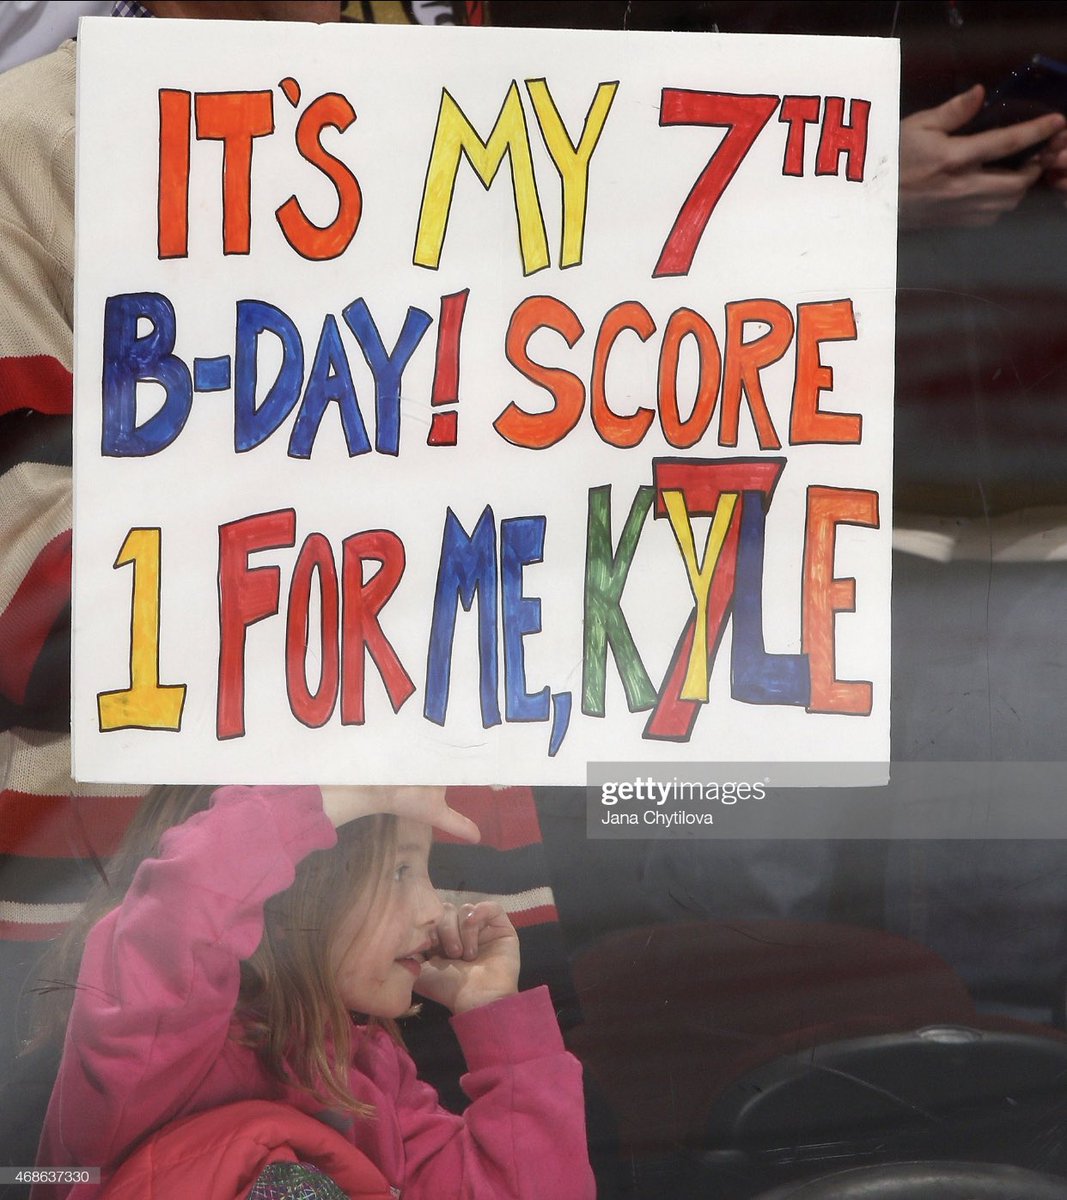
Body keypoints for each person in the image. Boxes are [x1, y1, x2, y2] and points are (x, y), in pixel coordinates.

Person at [30, 783, 594, 1199]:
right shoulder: (155, 1037)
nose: (433, 908)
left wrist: (498, 1020)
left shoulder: (367, 1069)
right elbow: (187, 899)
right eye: (400, 871)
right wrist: (333, 794)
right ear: (294, 881)